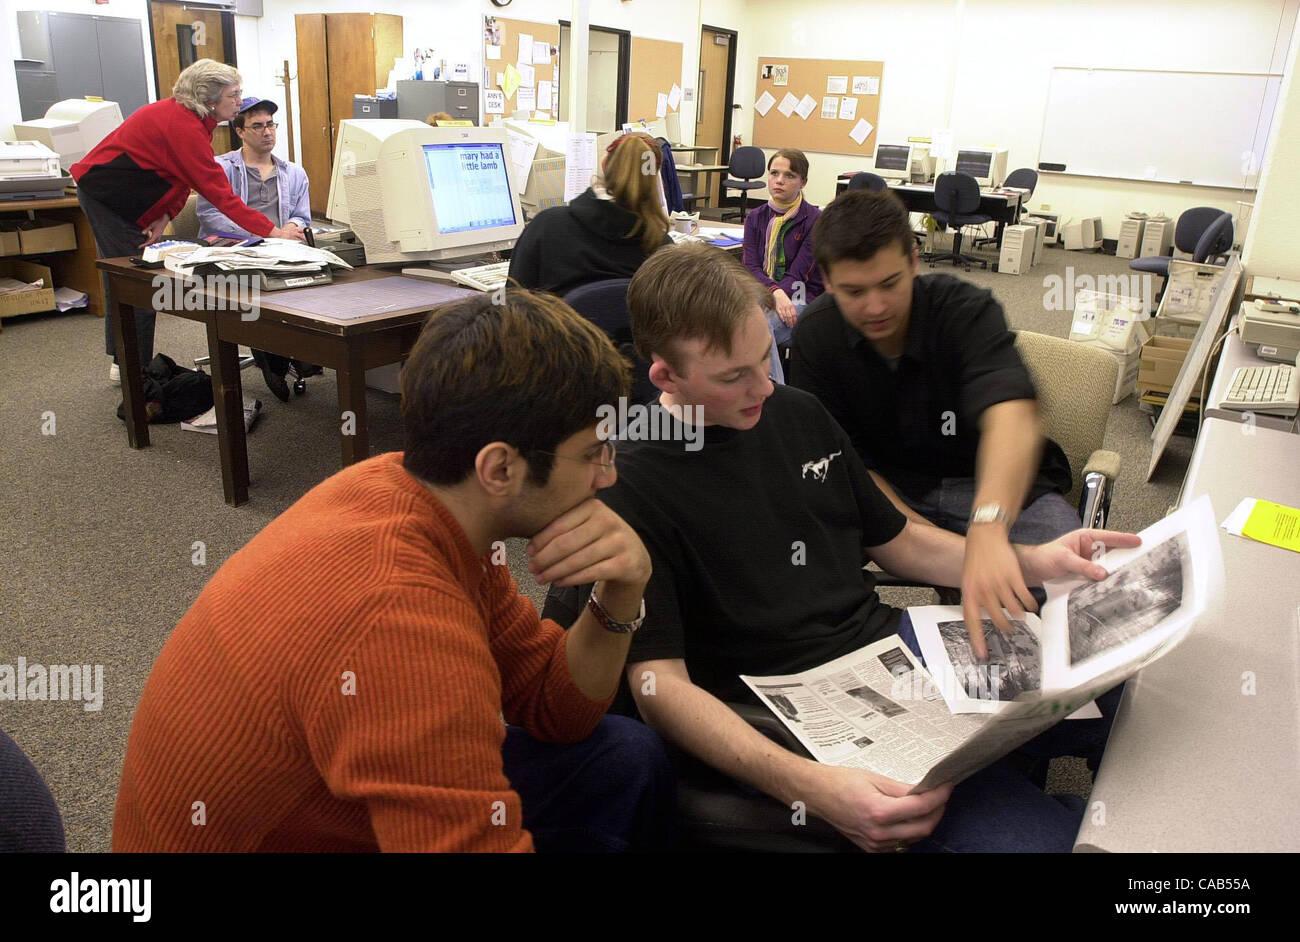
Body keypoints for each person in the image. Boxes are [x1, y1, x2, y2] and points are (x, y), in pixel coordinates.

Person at [586, 243, 1137, 852]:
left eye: (764, 359)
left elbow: (902, 543)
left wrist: (1037, 559)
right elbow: (659, 688)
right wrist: (812, 791)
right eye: (733, 376)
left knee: (1125, 690)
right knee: (1039, 843)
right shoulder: (628, 481)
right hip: (783, 706)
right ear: (664, 376)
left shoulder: (796, 413)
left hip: (888, 650)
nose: (763, 387)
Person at [113, 288, 674, 852]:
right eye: (594, 452)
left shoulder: (412, 494)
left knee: (623, 757)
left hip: (317, 805)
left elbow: (555, 708)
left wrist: (622, 588)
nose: (609, 475)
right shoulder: (398, 618)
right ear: (500, 468)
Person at [788, 190, 1078, 658]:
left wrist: (988, 524)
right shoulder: (815, 338)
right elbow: (846, 465)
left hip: (985, 482)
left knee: (1071, 593)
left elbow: (1013, 413)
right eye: (854, 292)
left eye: (890, 283)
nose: (876, 307)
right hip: (885, 489)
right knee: (802, 587)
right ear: (825, 279)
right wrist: (919, 536)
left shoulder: (964, 309)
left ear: (915, 260)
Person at [71, 59, 306, 387]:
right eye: (233, 95)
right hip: (106, 196)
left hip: (129, 197)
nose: (240, 101)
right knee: (136, 282)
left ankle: (123, 360)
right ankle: (131, 369)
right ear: (209, 99)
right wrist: (274, 231)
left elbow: (181, 177)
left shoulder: (195, 121)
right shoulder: (181, 124)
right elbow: (219, 193)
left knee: (127, 279)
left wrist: (165, 214)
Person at [197, 96, 319, 402]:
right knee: (258, 286)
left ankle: (293, 352)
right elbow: (211, 217)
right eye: (257, 126)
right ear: (239, 131)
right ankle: (272, 357)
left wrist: (289, 231)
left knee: (314, 281)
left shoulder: (293, 173)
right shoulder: (221, 168)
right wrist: (262, 234)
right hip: (235, 249)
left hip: (281, 248)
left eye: (271, 125)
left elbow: (302, 216)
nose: (267, 132)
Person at [507, 131, 670, 298]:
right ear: (654, 179)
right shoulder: (663, 249)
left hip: (557, 325)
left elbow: (512, 302)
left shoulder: (547, 226)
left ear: (604, 164)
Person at [741, 149, 824, 361]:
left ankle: (770, 391)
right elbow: (751, 267)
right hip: (764, 293)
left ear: (802, 182)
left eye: (789, 175)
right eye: (774, 173)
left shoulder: (815, 220)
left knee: (757, 327)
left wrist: (776, 294)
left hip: (801, 295)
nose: (779, 181)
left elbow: (799, 274)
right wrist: (774, 293)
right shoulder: (755, 218)